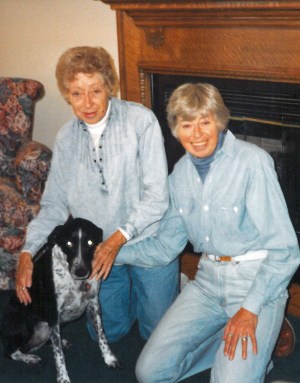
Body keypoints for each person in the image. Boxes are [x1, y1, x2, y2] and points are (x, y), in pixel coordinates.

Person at [116, 83, 300, 382]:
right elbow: (165, 246)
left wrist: (250, 308)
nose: (197, 134)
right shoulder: (179, 176)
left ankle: (254, 350)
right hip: (207, 283)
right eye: (187, 125)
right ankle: (243, 355)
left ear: (219, 121)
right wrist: (111, 253)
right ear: (176, 130)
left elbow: (285, 250)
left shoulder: (252, 162)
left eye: (206, 122)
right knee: (149, 372)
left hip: (254, 283)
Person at [15, 46, 179, 343]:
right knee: (108, 333)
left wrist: (118, 239)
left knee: (157, 334)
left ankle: (174, 285)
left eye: (95, 91)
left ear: (109, 87)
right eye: (77, 93)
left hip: (149, 243)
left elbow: (157, 197)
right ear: (67, 95)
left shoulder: (141, 122)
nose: (87, 103)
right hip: (101, 253)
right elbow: (53, 205)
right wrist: (27, 251)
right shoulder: (66, 137)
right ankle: (134, 292)